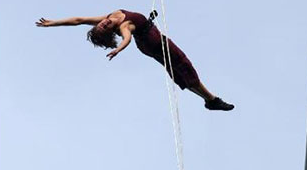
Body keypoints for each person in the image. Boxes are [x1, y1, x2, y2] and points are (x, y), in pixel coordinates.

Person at [36, 9, 235, 111]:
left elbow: (78, 20)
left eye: (102, 24)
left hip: (151, 43)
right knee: (183, 66)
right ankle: (212, 100)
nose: (104, 23)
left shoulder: (110, 16)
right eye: (105, 27)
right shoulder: (123, 26)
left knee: (180, 70)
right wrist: (118, 51)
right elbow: (128, 39)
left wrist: (52, 22)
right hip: (153, 43)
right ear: (109, 32)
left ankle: (209, 100)